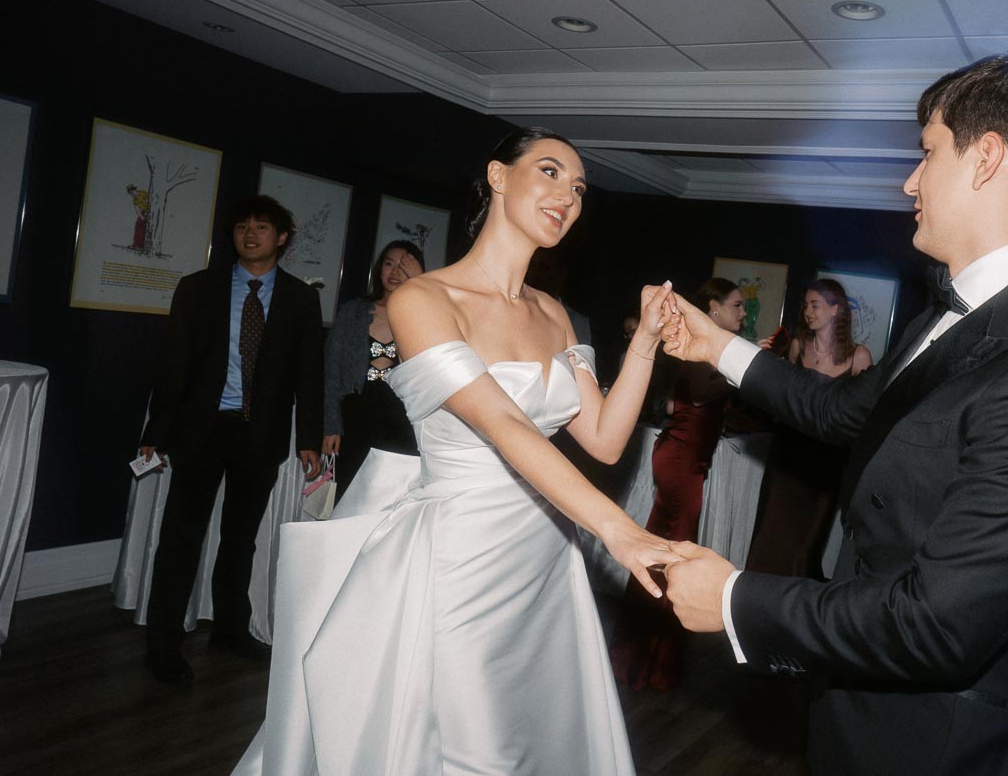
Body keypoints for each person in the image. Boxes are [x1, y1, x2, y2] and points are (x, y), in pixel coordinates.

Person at [662, 48, 1008, 775]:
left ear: (986, 158)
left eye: (926, 154)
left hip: (945, 749)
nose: (909, 181)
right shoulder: (942, 318)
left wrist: (737, 599)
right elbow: (835, 412)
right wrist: (717, 346)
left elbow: (938, 626)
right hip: (863, 713)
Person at [233, 127, 681, 775]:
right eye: (551, 172)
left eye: (579, 187)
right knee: (474, 740)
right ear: (499, 177)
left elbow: (606, 440)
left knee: (535, 732)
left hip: (543, 558)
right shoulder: (423, 299)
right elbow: (502, 421)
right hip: (463, 557)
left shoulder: (554, 313)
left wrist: (645, 345)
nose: (568, 196)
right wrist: (617, 529)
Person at [138, 194, 323, 684]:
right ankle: (162, 642)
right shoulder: (198, 289)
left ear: (281, 238)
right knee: (182, 536)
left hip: (259, 434)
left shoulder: (301, 299)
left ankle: (230, 628)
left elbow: (309, 372)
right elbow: (172, 365)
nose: (250, 234)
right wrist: (156, 432)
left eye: (262, 227)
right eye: (242, 226)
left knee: (241, 539)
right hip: (201, 429)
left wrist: (308, 437)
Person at [609, 277, 745, 691]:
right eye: (737, 305)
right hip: (681, 460)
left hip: (689, 459)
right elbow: (702, 395)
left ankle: (644, 657)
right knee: (671, 553)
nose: (743, 312)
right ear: (715, 308)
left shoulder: (708, 343)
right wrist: (746, 363)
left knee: (666, 550)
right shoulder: (701, 345)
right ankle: (645, 660)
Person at [745, 279, 872, 578]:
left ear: (835, 310)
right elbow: (783, 402)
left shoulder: (859, 356)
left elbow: (862, 418)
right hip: (786, 457)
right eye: (805, 306)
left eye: (815, 305)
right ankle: (754, 609)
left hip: (826, 465)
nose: (807, 311)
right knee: (770, 535)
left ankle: (791, 615)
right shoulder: (798, 347)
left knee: (805, 546)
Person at [321, 240, 424, 498]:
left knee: (389, 500)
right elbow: (331, 371)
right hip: (356, 416)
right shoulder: (353, 311)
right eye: (389, 263)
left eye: (404, 266)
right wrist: (331, 425)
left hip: (401, 420)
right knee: (347, 497)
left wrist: (422, 287)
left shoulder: (424, 316)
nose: (395, 272)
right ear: (379, 269)